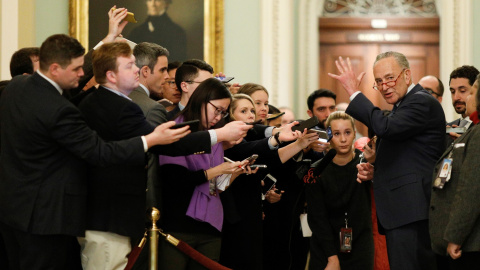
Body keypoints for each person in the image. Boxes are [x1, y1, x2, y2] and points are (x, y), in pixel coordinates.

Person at [0, 27, 191, 270]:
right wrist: (150, 140)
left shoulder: (16, 88)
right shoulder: (61, 110)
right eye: (77, 69)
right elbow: (100, 152)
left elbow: (77, 89)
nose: (82, 74)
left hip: (11, 210)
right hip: (45, 216)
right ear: (56, 69)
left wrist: (107, 40)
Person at [77, 42, 219, 270]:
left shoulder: (99, 101)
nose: (137, 70)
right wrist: (218, 134)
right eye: (130, 65)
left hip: (103, 213)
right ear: (111, 75)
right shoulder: (120, 107)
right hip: (109, 215)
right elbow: (166, 145)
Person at [328, 52, 445, 270]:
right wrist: (375, 169)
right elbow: (408, 157)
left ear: (407, 75)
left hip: (413, 213)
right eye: (379, 81)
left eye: (390, 78)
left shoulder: (420, 101)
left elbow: (385, 127)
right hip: (403, 213)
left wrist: (354, 92)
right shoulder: (403, 106)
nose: (384, 86)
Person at [157, 78, 251, 270]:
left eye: (223, 113)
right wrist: (218, 170)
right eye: (217, 110)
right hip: (179, 222)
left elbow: (215, 186)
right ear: (201, 100)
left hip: (211, 223)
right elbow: (175, 180)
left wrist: (233, 172)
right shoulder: (177, 128)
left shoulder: (215, 135)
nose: (219, 117)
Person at [220, 94, 317, 270]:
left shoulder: (250, 137)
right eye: (244, 111)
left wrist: (301, 144)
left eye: (252, 109)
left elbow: (273, 157)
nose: (251, 114)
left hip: (253, 214)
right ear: (231, 116)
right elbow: (248, 150)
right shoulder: (228, 142)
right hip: (233, 217)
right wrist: (280, 138)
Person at [306, 111, 374, 270]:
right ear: (328, 135)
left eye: (347, 132)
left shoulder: (366, 166)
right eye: (336, 133)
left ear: (354, 134)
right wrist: (332, 257)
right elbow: (317, 218)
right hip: (325, 247)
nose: (343, 139)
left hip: (360, 244)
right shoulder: (315, 172)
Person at [429, 74, 480, 270]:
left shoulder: (477, 133)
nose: (464, 98)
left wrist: (455, 237)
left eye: (471, 92)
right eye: (452, 91)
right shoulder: (467, 130)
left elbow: (471, 190)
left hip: (470, 244)